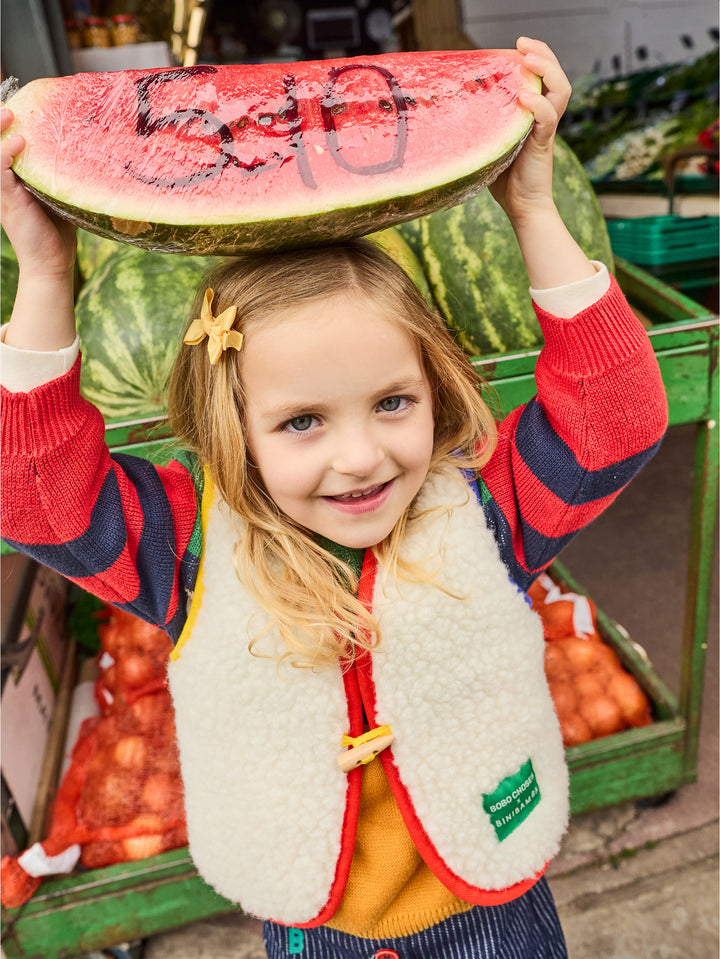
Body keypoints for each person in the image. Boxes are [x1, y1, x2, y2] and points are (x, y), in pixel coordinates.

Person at [1, 38, 667, 959]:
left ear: (437, 389)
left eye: (393, 402)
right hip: (315, 936)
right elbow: (35, 495)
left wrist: (533, 209)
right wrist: (44, 277)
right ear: (232, 427)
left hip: (497, 918)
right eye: (302, 422)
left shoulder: (484, 511)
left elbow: (617, 419)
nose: (360, 457)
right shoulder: (188, 549)